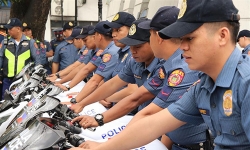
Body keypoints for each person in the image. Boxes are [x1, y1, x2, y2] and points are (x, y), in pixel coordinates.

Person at [69, 0, 250, 149]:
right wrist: (101, 148)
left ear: (222, 36)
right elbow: (154, 124)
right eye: (181, 39)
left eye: (190, 38)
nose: (182, 47)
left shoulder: (245, 84)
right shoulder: (204, 86)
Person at [71, 18, 163, 128]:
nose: (133, 51)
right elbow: (112, 84)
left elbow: (136, 98)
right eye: (131, 46)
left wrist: (99, 118)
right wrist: (81, 104)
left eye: (138, 46)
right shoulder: (134, 61)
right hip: (142, 120)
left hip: (158, 124)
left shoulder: (163, 65)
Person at [55, 21, 119, 97]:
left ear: (99, 36)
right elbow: (84, 69)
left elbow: (96, 78)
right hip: (107, 94)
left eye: (85, 40)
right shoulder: (100, 51)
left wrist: (79, 98)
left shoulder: (110, 52)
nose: (84, 43)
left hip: (113, 96)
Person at [0, 18, 40, 100]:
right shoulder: (5, 42)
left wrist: (34, 77)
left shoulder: (30, 42)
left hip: (23, 81)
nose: (8, 31)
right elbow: (0, 58)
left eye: (10, 29)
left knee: (22, 104)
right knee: (5, 104)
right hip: (8, 80)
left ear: (18, 29)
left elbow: (38, 61)